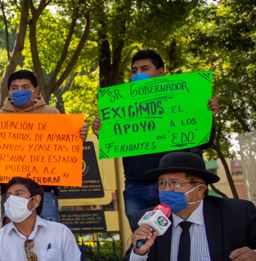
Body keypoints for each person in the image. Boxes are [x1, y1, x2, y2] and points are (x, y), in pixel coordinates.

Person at [92, 50, 219, 230]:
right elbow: (115, 142)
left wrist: (207, 117)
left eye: (145, 69)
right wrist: (103, 132)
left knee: (183, 236)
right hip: (137, 187)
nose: (138, 74)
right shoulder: (123, 106)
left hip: (176, 186)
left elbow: (205, 142)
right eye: (134, 71)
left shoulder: (183, 99)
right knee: (143, 240)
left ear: (161, 72)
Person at [0, 70, 88, 222]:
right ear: (9, 92)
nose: (19, 91)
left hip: (45, 192)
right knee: (13, 234)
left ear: (36, 91)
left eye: (25, 87)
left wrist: (78, 137)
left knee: (47, 233)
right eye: (15, 88)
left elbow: (65, 148)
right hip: (11, 192)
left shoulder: (52, 114)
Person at [128, 152, 256, 261]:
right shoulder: (148, 219)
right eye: (162, 183)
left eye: (175, 183)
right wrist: (139, 253)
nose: (166, 190)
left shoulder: (238, 214)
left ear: (200, 190)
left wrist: (254, 256)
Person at [0, 177, 82, 261]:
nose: (12, 200)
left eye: (18, 194)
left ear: (36, 200)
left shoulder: (61, 233)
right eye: (8, 197)